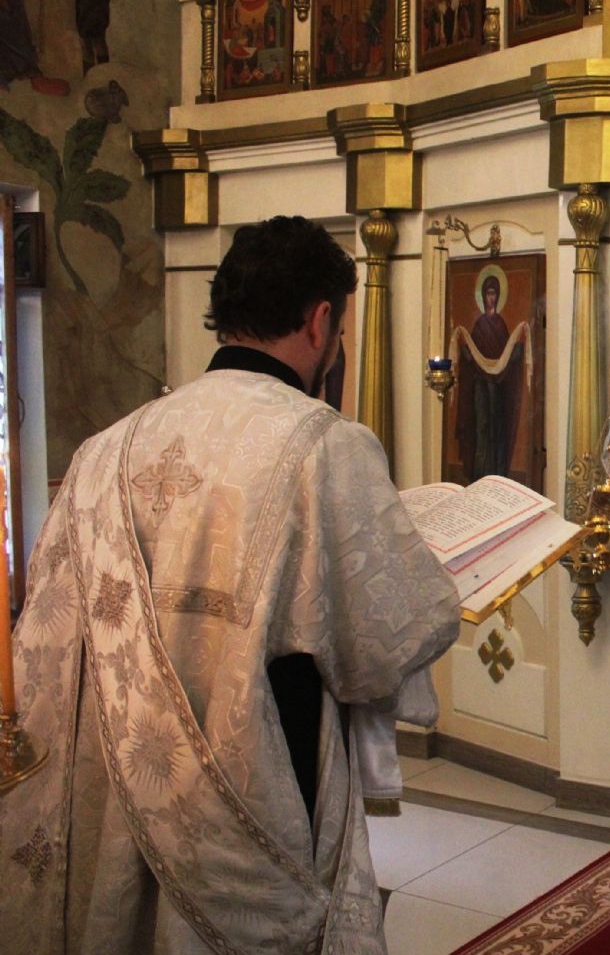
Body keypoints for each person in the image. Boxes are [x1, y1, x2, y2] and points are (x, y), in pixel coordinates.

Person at [0, 216, 461, 953]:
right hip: (256, 789)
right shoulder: (325, 445)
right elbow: (379, 649)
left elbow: (49, 640)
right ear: (320, 322)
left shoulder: (103, 449)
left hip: (114, 783)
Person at [456, 273, 526, 482]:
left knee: (497, 428)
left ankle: (496, 473)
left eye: (494, 293)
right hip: (480, 385)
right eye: (488, 293)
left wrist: (517, 350)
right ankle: (480, 474)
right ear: (483, 296)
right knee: (482, 427)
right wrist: (466, 354)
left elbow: (505, 356)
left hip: (498, 387)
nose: (491, 298)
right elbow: (473, 356)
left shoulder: (501, 325)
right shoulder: (479, 325)